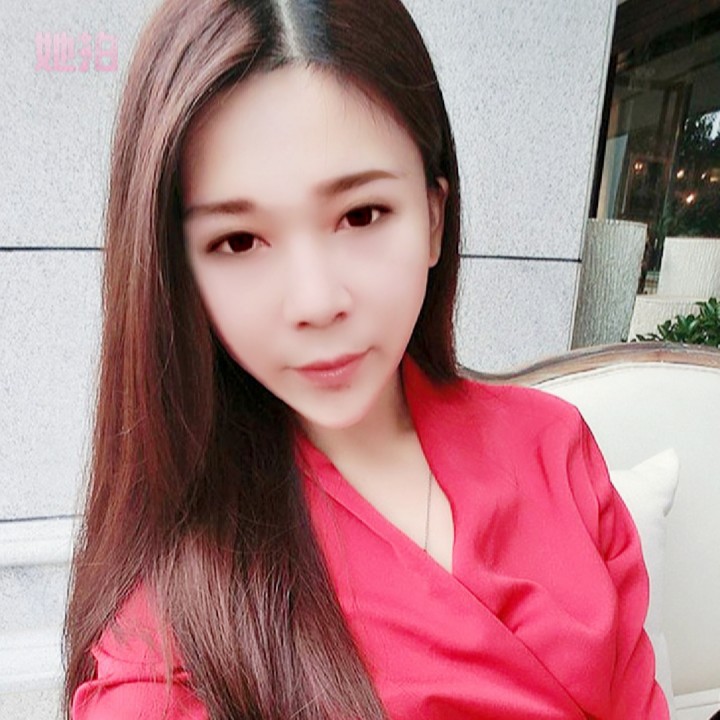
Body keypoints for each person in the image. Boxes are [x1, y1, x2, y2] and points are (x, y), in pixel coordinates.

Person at [63, 1, 670, 718]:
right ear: (180, 270)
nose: (317, 301)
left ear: (434, 218)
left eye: (361, 215)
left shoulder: (552, 443)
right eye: (238, 240)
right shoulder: (170, 619)